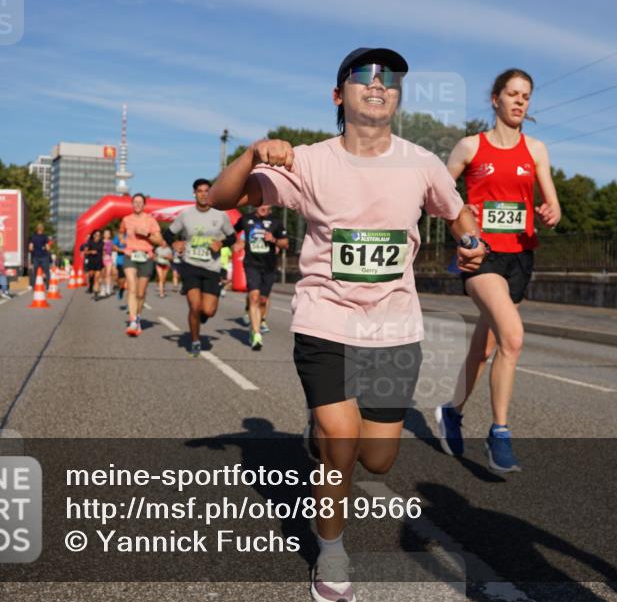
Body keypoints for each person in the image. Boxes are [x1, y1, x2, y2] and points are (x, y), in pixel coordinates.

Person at [207, 47, 485, 602]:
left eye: (389, 78)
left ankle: (322, 432)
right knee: (342, 438)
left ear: (397, 97)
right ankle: (332, 553)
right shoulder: (308, 161)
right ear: (340, 95)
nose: (377, 83)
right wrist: (253, 153)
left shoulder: (421, 162)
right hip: (325, 321)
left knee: (378, 459)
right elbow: (224, 198)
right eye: (363, 76)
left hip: (394, 330)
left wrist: (471, 240)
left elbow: (455, 210)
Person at [435, 68, 561, 474]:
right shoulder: (470, 147)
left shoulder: (537, 150)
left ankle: (451, 411)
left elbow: (552, 207)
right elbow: (435, 192)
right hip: (482, 255)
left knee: (484, 348)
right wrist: (461, 211)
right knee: (513, 337)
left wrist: (549, 211)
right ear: (495, 99)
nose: (520, 101)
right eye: (512, 94)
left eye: (526, 95)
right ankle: (500, 433)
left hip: (520, 256)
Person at [167, 178, 237, 357]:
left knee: (209, 310)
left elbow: (232, 237)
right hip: (190, 265)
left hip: (212, 268)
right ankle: (195, 340)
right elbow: (168, 233)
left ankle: (202, 316)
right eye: (200, 191)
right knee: (195, 306)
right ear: (194, 194)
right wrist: (175, 243)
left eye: (207, 191)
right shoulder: (186, 215)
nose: (204, 194)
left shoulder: (220, 215)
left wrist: (221, 243)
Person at [235, 204, 288, 348]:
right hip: (251, 264)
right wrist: (238, 242)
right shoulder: (246, 219)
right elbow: (232, 232)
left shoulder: (276, 222)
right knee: (254, 297)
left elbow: (286, 243)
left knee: (263, 300)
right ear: (255, 205)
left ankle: (260, 321)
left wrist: (274, 240)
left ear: (270, 206)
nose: (263, 207)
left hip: (269, 266)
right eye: (260, 204)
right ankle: (256, 333)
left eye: (266, 204)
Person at [119, 193, 165, 335]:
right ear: (132, 204)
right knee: (131, 288)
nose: (137, 204)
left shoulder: (150, 220)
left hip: (146, 256)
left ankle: (138, 317)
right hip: (130, 255)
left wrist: (147, 235)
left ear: (144, 205)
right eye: (135, 202)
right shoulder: (126, 219)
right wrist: (123, 240)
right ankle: (132, 320)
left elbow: (160, 241)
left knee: (140, 292)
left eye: (140, 202)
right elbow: (121, 232)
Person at [28, 223, 52, 287]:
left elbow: (30, 247)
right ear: (42, 229)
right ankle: (48, 286)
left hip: (36, 257)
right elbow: (48, 247)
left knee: (35, 272)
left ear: (37, 229)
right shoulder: (45, 237)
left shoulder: (33, 237)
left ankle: (34, 286)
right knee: (46, 271)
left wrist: (34, 251)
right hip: (44, 256)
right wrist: (46, 248)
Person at [83, 230, 104, 297]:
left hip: (99, 261)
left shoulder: (102, 242)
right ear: (93, 235)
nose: (97, 236)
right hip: (91, 261)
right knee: (91, 275)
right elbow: (85, 252)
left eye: (99, 235)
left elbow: (104, 251)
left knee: (97, 277)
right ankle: (91, 285)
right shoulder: (89, 242)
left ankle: (96, 291)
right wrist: (91, 251)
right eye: (96, 235)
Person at [100, 228, 115, 298]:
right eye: (106, 233)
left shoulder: (111, 242)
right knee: (103, 274)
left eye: (108, 233)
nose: (107, 234)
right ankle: (102, 288)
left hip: (109, 258)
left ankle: (108, 289)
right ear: (103, 234)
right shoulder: (100, 242)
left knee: (108, 274)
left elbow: (113, 250)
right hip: (101, 259)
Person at [113, 230, 127, 300]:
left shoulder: (132, 235)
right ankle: (121, 289)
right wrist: (122, 250)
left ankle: (131, 297)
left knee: (130, 279)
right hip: (121, 260)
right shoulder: (118, 236)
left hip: (132, 260)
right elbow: (114, 247)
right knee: (122, 279)